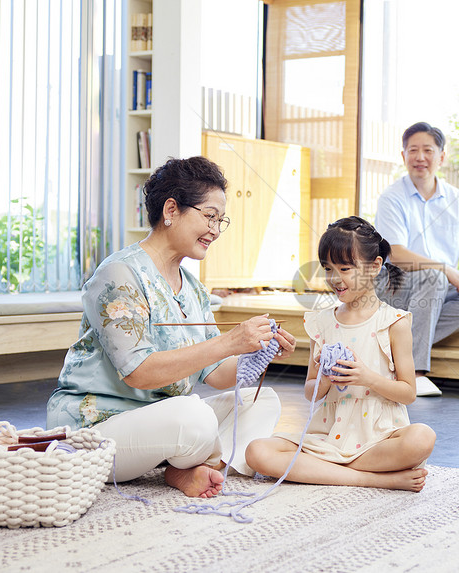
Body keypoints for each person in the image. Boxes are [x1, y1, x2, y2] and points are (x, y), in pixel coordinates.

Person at [46, 156, 298, 497]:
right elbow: (139, 373)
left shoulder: (193, 288)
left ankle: (195, 470)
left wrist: (260, 351)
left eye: (221, 221)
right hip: (97, 428)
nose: (215, 230)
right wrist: (230, 340)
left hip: (161, 420)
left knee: (263, 401)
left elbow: (216, 374)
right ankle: (187, 466)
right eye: (210, 216)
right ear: (171, 209)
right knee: (193, 417)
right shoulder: (119, 274)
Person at [245, 216, 436, 492]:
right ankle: (375, 479)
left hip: (379, 437)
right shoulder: (321, 322)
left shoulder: (394, 322)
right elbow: (311, 392)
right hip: (328, 435)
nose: (335, 279)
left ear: (374, 267)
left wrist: (366, 377)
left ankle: (323, 471)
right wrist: (324, 379)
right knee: (257, 452)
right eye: (328, 269)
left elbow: (408, 392)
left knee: (422, 438)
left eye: (345, 268)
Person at [373, 122, 459, 397]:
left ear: (441, 156)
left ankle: (393, 345)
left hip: (434, 290)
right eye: (412, 150)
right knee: (433, 276)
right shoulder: (392, 197)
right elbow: (398, 254)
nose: (420, 157)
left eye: (428, 150)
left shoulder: (456, 199)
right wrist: (447, 270)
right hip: (396, 285)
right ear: (403, 156)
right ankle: (414, 372)